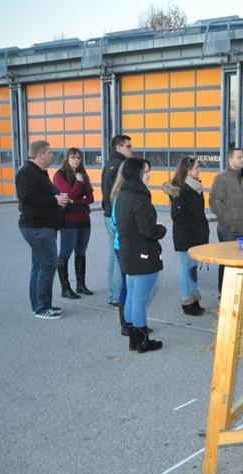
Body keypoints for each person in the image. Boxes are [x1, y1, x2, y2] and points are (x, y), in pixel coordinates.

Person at [115, 157, 165, 353]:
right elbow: (148, 230)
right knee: (139, 300)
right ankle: (143, 341)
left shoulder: (123, 194)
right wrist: (161, 229)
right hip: (142, 254)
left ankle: (133, 340)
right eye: (145, 171)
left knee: (132, 295)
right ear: (136, 174)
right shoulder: (139, 198)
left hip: (128, 253)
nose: (149, 175)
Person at [16, 140, 68, 319]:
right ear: (41, 155)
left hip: (43, 226)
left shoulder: (39, 172)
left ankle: (39, 304)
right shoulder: (28, 172)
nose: (52, 155)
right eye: (50, 152)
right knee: (47, 265)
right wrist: (54, 200)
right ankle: (42, 308)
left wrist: (58, 198)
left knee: (39, 265)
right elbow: (27, 197)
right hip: (37, 227)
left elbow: (42, 195)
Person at [162, 157, 210, 316]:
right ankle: (187, 301)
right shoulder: (180, 190)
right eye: (196, 167)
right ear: (188, 170)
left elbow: (198, 213)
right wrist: (193, 229)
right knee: (187, 268)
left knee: (193, 268)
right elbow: (178, 216)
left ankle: (194, 299)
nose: (199, 170)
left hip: (197, 234)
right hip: (186, 236)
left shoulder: (195, 187)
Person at [209, 147, 243, 292]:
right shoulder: (221, 178)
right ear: (230, 159)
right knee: (227, 265)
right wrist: (227, 220)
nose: (242, 159)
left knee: (242, 264)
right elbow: (214, 201)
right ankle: (224, 295)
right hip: (229, 230)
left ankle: (239, 294)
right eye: (239, 157)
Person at [53, 147, 94, 300]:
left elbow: (90, 198)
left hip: (84, 220)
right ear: (66, 158)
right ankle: (65, 288)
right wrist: (78, 182)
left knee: (81, 252)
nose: (76, 160)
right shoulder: (59, 175)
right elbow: (69, 194)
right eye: (73, 157)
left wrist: (75, 201)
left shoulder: (83, 174)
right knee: (65, 253)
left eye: (78, 157)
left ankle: (80, 285)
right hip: (68, 221)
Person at [101, 135, 133, 306]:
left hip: (109, 213)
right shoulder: (121, 165)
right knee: (119, 256)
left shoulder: (109, 163)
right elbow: (118, 193)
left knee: (113, 255)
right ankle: (116, 296)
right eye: (128, 146)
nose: (131, 149)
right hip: (116, 215)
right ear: (119, 147)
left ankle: (113, 293)